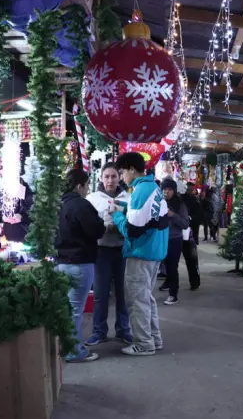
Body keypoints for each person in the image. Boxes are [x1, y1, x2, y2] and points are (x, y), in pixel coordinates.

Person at [111, 152, 168, 356]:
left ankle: (144, 343)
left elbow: (131, 230)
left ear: (132, 169)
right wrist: (125, 207)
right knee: (147, 298)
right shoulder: (153, 187)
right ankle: (154, 338)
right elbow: (149, 218)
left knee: (138, 300)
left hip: (140, 253)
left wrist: (116, 215)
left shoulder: (141, 190)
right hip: (153, 252)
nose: (121, 176)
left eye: (122, 171)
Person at [55, 169, 106, 363]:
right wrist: (101, 220)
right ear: (79, 186)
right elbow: (96, 230)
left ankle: (67, 346)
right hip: (79, 262)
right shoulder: (81, 205)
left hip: (61, 263)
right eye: (86, 186)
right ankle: (74, 351)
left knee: (68, 309)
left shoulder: (58, 204)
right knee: (75, 310)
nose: (86, 190)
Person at [85, 163, 133, 346]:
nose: (110, 180)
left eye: (113, 176)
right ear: (101, 178)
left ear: (119, 177)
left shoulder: (128, 198)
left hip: (123, 250)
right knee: (100, 293)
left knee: (123, 292)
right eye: (107, 176)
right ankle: (99, 331)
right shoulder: (92, 199)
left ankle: (123, 329)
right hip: (101, 250)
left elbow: (133, 223)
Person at [158, 178, 189, 304]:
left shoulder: (179, 204)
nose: (167, 192)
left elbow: (185, 224)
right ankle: (168, 282)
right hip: (161, 238)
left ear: (174, 191)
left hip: (175, 239)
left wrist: (173, 215)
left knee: (172, 266)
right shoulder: (159, 202)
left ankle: (173, 294)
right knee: (164, 264)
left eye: (170, 189)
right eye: (164, 189)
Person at [179, 181, 201, 290]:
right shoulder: (176, 201)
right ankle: (194, 282)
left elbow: (198, 217)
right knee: (190, 260)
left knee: (191, 259)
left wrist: (189, 220)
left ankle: (195, 281)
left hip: (189, 234)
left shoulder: (192, 201)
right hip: (178, 235)